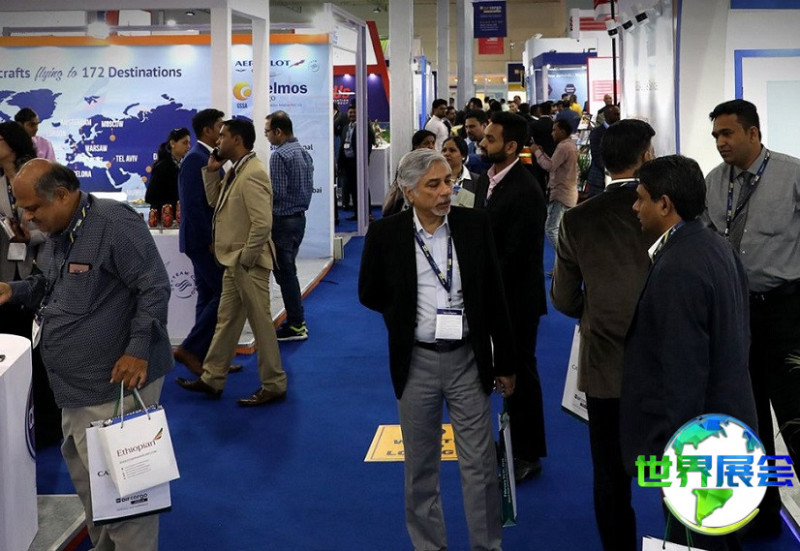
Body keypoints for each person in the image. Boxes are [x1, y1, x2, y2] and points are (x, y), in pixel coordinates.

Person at [0, 159, 173, 550]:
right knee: (94, 490)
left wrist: (138, 349)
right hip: (75, 389)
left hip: (115, 386)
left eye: (33, 208)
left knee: (127, 500)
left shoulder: (114, 223)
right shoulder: (59, 231)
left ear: (62, 195)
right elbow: (48, 284)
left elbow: (155, 287)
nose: (27, 218)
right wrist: (16, 290)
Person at [359, 148, 517, 551]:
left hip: (468, 360)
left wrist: (505, 361)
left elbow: (495, 295)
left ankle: (487, 545)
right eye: (434, 184)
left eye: (448, 181)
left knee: (480, 465)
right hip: (416, 362)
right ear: (409, 192)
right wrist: (403, 314)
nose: (446, 191)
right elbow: (369, 292)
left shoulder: (474, 225)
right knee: (420, 467)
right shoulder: (386, 234)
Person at [621, 155, 757, 551]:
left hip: (698, 443)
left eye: (641, 198)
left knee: (696, 537)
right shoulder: (716, 245)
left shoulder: (679, 266)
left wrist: (677, 456)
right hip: (726, 427)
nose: (635, 207)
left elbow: (683, 371)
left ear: (665, 204)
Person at [550, 119, 655, 551]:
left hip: (604, 365)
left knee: (609, 473)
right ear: (647, 156)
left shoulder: (579, 219)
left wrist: (593, 310)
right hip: (664, 363)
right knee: (677, 465)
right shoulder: (666, 209)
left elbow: (563, 297)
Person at [704, 98, 800, 537]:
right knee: (749, 417)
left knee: (795, 416)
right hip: (736, 315)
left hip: (786, 312)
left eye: (727, 133)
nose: (720, 142)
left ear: (753, 133)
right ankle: (763, 512)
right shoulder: (713, 182)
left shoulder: (792, 175)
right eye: (716, 136)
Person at [177, 119, 287, 407]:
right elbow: (216, 203)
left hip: (247, 263)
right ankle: (213, 378)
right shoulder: (237, 170)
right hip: (233, 262)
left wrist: (246, 258)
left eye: (223, 136)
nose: (218, 141)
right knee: (226, 321)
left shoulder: (253, 173)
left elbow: (262, 224)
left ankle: (274, 384)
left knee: (261, 325)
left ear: (237, 140)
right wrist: (212, 172)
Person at [474, 112, 548, 482]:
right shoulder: (488, 180)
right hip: (494, 296)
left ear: (512, 147)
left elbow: (517, 256)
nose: (482, 143)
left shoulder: (525, 190)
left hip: (516, 299)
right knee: (502, 371)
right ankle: (511, 444)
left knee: (520, 373)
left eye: (490, 139)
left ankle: (528, 454)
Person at [0, 121, 60, 448]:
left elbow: (53, 225)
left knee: (36, 351)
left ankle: (46, 422)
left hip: (37, 268)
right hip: (4, 272)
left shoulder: (39, 176)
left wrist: (30, 236)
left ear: (12, 142)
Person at [173, 108, 231, 376]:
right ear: (207, 130)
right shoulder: (195, 158)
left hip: (205, 239)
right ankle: (190, 349)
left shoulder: (206, 157)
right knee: (225, 293)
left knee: (207, 296)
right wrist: (209, 240)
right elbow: (193, 206)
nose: (223, 131)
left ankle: (208, 358)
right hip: (202, 241)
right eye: (220, 126)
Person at [264, 111, 314, 342]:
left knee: (286, 275)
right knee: (288, 273)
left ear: (278, 131)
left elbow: (277, 194)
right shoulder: (302, 152)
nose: (266, 136)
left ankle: (296, 324)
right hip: (298, 220)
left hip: (282, 222)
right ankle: (296, 320)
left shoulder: (279, 156)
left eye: (267, 131)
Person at [534, 118, 579, 253]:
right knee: (561, 228)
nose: (552, 133)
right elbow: (555, 164)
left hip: (561, 193)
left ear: (563, 131)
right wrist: (542, 153)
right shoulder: (570, 145)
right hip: (567, 192)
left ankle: (565, 256)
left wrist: (537, 152)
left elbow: (550, 166)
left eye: (555, 130)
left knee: (551, 228)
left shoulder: (563, 147)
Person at [337, 105, 375, 218]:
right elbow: (342, 146)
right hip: (347, 163)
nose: (352, 114)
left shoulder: (363, 127)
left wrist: (364, 160)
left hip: (359, 162)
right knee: (353, 189)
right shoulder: (346, 128)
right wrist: (340, 163)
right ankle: (357, 213)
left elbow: (368, 144)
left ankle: (367, 214)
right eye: (350, 113)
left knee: (363, 188)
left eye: (354, 112)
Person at [145, 127, 191, 215]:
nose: (188, 146)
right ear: (173, 143)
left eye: (189, 143)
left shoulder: (184, 165)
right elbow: (150, 196)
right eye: (185, 143)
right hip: (165, 217)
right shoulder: (162, 167)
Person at [585, 106, 620, 197]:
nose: (619, 117)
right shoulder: (596, 133)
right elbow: (597, 156)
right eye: (616, 114)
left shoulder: (620, 132)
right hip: (598, 179)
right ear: (607, 115)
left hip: (614, 178)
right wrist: (613, 171)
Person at [441, 136, 477, 208]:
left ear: (463, 155)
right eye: (444, 150)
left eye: (452, 150)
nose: (446, 154)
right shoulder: (433, 179)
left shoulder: (477, 181)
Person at [462, 110, 491, 175]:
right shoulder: (469, 148)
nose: (468, 131)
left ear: (484, 126)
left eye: (472, 127)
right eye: (466, 127)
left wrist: (465, 158)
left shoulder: (493, 146)